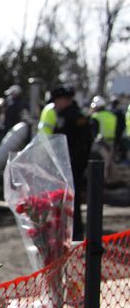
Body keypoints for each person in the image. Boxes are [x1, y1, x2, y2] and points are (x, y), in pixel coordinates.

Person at [41, 86, 93, 240]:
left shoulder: (73, 116)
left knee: (72, 200)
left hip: (72, 164)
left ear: (64, 100)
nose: (55, 105)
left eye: (57, 101)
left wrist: (77, 163)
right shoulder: (65, 115)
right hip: (66, 163)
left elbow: (83, 142)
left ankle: (75, 233)